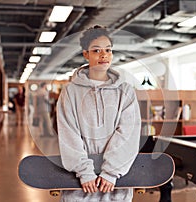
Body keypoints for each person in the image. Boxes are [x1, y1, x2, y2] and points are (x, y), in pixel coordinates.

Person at [56, 25, 141, 202]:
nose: (104, 55)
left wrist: (111, 171)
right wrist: (84, 172)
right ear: (86, 54)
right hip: (81, 184)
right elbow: (69, 134)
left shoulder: (125, 91)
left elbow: (128, 133)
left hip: (115, 182)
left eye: (108, 50)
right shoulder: (70, 92)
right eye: (96, 50)